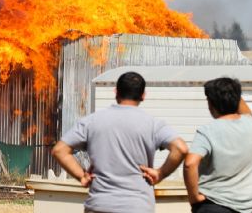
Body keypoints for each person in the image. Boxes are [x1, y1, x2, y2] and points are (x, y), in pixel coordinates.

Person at [52, 71, 188, 213]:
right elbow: (181, 148)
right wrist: (160, 173)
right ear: (143, 95)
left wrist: (82, 176)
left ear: (116, 92)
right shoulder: (153, 124)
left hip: (100, 204)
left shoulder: (92, 121)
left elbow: (59, 150)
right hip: (138, 206)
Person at [183, 77, 252, 213]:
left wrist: (193, 197)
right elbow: (245, 110)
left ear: (211, 103)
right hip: (245, 207)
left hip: (212, 205)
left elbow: (190, 164)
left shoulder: (207, 131)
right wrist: (231, 92)